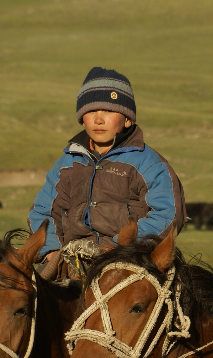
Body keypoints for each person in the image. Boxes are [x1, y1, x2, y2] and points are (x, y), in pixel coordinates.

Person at [28, 67, 185, 270]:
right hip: (69, 259)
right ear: (82, 119)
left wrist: (122, 246)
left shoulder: (149, 164)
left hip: (129, 260)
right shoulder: (66, 164)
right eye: (91, 111)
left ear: (127, 119)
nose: (98, 119)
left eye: (109, 111)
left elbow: (169, 214)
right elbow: (42, 210)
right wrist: (51, 250)